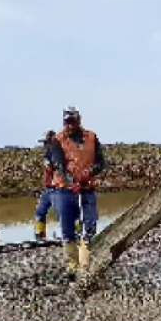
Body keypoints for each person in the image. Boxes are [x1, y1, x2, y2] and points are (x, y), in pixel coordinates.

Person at [47, 106, 106, 277]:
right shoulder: (58, 140)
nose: (70, 125)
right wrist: (72, 182)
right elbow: (59, 165)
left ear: (79, 120)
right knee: (68, 227)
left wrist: (88, 175)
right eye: (67, 122)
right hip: (65, 190)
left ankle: (85, 262)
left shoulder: (92, 137)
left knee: (90, 223)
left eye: (72, 121)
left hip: (87, 187)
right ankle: (72, 263)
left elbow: (101, 162)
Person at [34, 130, 56, 240]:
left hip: (58, 189)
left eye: (46, 142)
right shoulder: (47, 154)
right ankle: (40, 236)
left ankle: (75, 235)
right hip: (48, 189)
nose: (44, 145)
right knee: (40, 211)